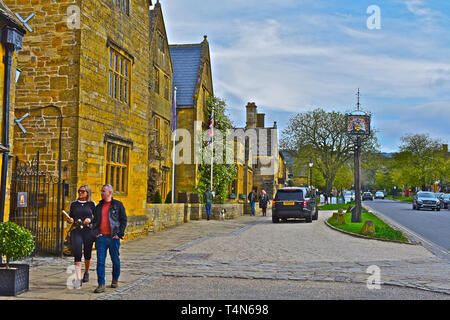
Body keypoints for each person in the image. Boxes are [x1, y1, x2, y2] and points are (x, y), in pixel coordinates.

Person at [92, 184, 127, 293]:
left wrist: (119, 234)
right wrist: (97, 233)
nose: (101, 193)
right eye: (101, 191)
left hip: (113, 238)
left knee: (115, 260)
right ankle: (101, 284)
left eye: (103, 191)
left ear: (110, 192)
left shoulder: (118, 205)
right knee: (100, 262)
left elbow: (123, 220)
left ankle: (115, 279)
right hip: (101, 238)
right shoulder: (98, 207)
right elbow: (94, 222)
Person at [65, 185, 96, 288]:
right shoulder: (73, 204)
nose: (80, 193)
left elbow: (96, 218)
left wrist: (90, 220)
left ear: (88, 192)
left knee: (87, 253)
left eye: (82, 191)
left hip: (88, 231)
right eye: (79, 191)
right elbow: (70, 217)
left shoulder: (92, 204)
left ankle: (86, 272)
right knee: (77, 253)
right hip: (76, 230)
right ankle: (78, 279)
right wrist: (70, 220)